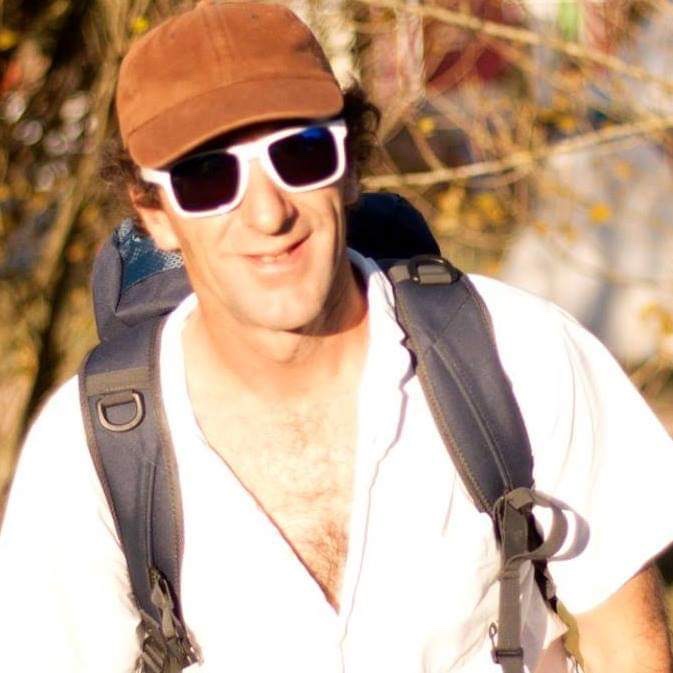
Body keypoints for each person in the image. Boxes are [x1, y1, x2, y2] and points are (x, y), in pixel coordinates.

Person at [1, 2, 672, 672]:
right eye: (207, 177)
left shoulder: (516, 353)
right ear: (154, 215)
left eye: (300, 153)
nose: (268, 213)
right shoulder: (87, 449)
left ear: (348, 166)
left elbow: (626, 645)